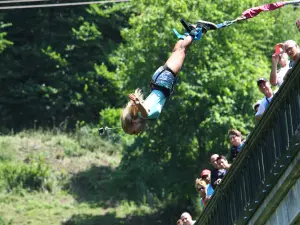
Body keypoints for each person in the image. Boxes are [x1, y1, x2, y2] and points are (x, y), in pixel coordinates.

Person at [121, 20, 218, 134]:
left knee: (182, 51)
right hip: (158, 80)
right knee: (177, 51)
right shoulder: (140, 113)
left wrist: (138, 103)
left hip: (163, 82)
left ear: (133, 124)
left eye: (134, 132)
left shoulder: (142, 114)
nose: (137, 133)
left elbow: (145, 111)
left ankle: (199, 28)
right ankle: (188, 33)